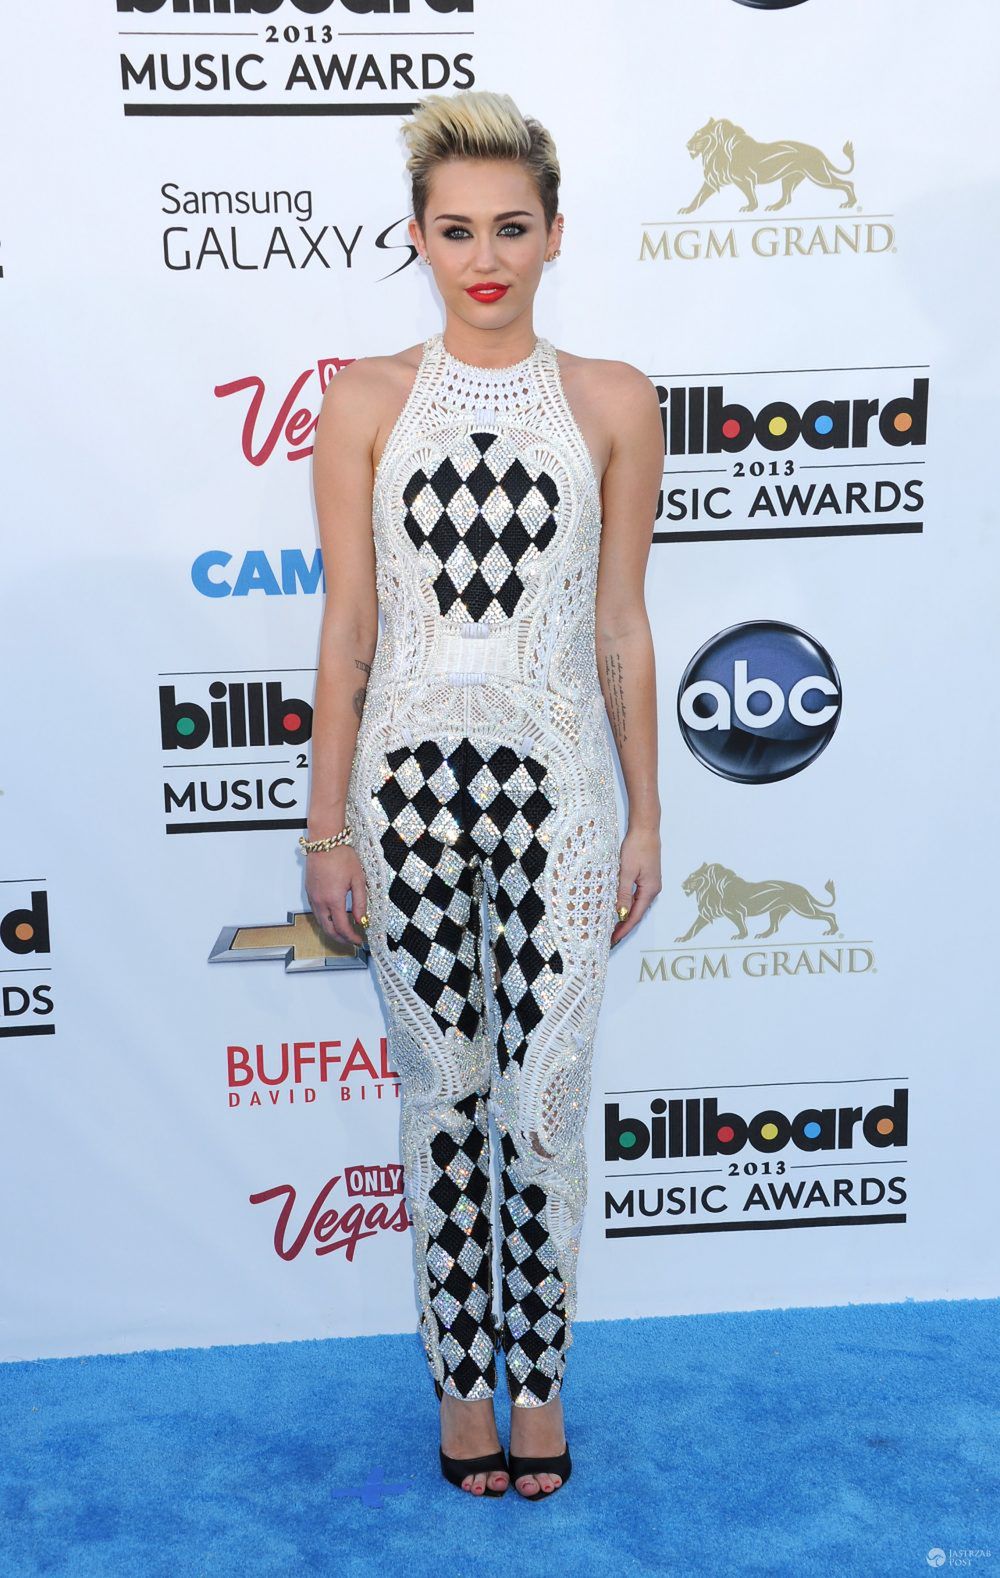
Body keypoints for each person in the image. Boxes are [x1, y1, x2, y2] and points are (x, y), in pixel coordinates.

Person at [302, 88, 664, 1500]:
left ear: (556, 233)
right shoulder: (367, 400)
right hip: (405, 799)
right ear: (418, 239)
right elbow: (346, 627)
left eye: (512, 226)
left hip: (565, 797)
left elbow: (623, 626)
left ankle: (542, 1379)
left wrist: (646, 814)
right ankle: (462, 1388)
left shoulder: (616, 399)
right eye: (456, 230)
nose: (486, 255)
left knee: (550, 1097)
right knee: (442, 1096)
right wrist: (325, 825)